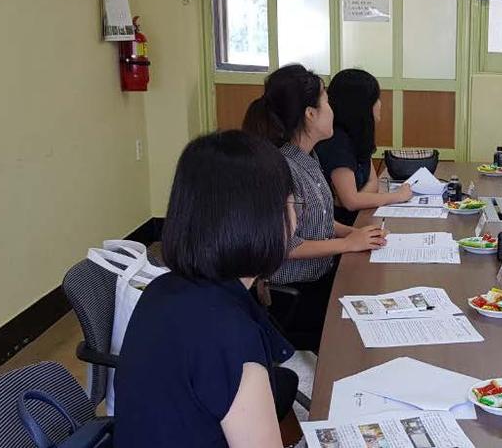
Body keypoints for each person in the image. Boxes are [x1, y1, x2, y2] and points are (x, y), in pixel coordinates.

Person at [115, 130, 300, 447]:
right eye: (291, 203)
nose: (296, 216)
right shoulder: (230, 335)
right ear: (262, 219)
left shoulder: (162, 289)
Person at [243, 64, 387, 351]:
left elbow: (317, 218)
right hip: (295, 291)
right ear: (310, 114)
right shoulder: (281, 166)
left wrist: (354, 233)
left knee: (377, 283)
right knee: (368, 319)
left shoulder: (307, 158)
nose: (333, 109)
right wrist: (347, 244)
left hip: (318, 274)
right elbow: (288, 245)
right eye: (327, 102)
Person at [315, 69, 412, 227]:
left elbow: (373, 183)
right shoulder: (336, 142)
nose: (380, 104)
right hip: (341, 228)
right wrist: (396, 196)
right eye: (376, 99)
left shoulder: (359, 136)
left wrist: (357, 199)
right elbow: (351, 202)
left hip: (360, 216)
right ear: (361, 105)